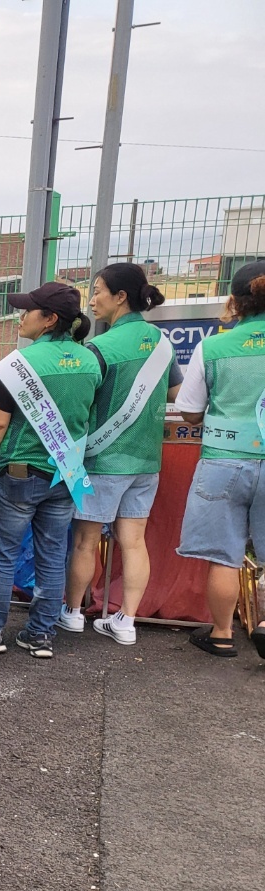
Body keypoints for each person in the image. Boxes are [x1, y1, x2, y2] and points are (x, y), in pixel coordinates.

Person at [0, 282, 103, 659]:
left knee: (3, 555)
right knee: (53, 555)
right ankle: (40, 634)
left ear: (49, 319)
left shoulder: (17, 365)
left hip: (20, 473)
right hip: (65, 475)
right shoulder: (92, 361)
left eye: (28, 311)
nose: (21, 317)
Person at [60, 263, 182, 644]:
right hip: (146, 459)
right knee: (133, 541)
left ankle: (74, 612)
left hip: (103, 460)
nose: (92, 300)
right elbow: (176, 395)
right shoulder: (162, 343)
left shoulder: (99, 347)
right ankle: (126, 622)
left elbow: (81, 401)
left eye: (97, 291)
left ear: (121, 297)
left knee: (85, 540)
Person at [175, 261, 265, 659]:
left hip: (224, 460)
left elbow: (190, 411)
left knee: (224, 555)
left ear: (235, 300)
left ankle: (223, 634)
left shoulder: (213, 346)